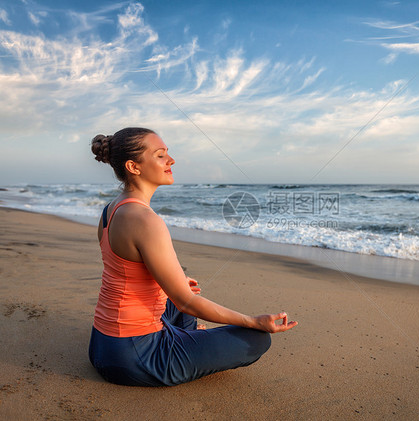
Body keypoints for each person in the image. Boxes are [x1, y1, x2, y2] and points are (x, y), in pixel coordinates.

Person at [88, 127, 297, 387]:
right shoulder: (145, 220)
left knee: (178, 296)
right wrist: (252, 321)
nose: (171, 160)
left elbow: (123, 273)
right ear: (134, 166)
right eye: (160, 155)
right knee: (257, 339)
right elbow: (187, 303)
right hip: (135, 358)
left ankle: (186, 338)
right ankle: (186, 342)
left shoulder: (111, 210)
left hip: (101, 344)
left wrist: (169, 288)